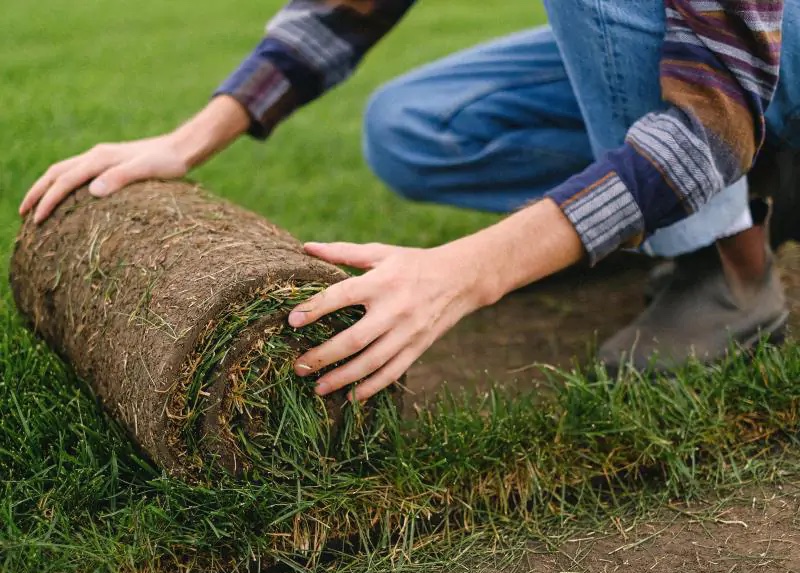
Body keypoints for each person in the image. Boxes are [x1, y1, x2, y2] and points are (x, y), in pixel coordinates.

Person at [20, 1, 800, 402]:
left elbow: (713, 116)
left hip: (758, 58)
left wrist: (470, 271)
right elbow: (346, 8)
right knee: (413, 128)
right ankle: (743, 190)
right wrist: (188, 140)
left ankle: (724, 266)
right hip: (705, 63)